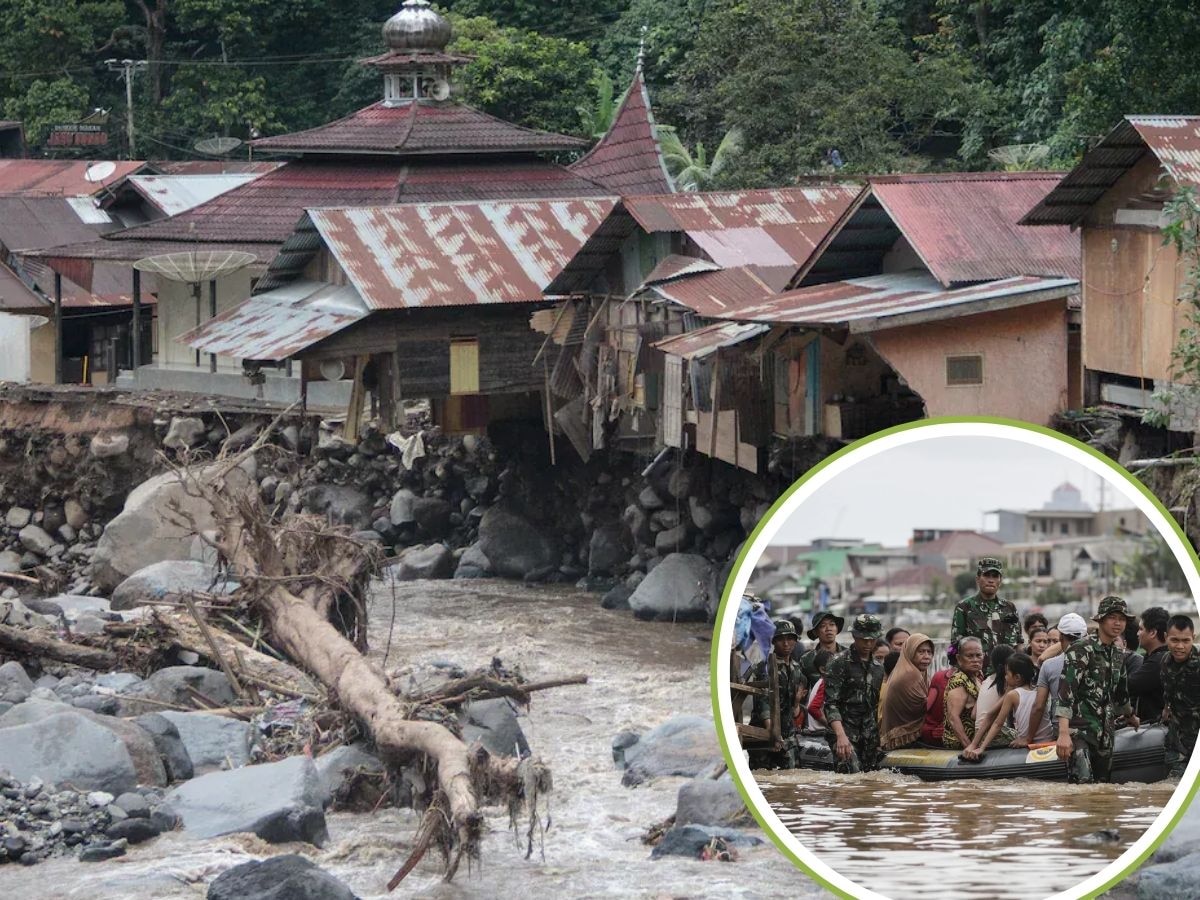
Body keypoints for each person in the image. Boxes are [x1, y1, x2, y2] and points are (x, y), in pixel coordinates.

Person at [1054, 597, 1140, 783]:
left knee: (1102, 790)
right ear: (1100, 619)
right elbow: (1065, 693)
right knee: (1082, 786)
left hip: (1104, 734)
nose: (1118, 623)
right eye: (1112, 617)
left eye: (1122, 619)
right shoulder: (1081, 649)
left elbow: (1121, 693)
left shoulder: (1118, 654)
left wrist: (1130, 716)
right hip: (1079, 731)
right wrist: (1063, 733)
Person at [824, 614, 885, 773]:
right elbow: (830, 704)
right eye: (864, 639)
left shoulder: (878, 667)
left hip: (869, 736)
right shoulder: (838, 662)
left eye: (872, 639)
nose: (868, 643)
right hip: (845, 732)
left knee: (869, 786)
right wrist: (840, 736)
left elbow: (876, 705)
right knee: (850, 778)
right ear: (854, 636)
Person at [964, 652, 1050, 760]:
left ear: (1017, 677)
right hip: (1048, 740)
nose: (1005, 677)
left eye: (1007, 674)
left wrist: (981, 748)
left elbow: (997, 724)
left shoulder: (1012, 695)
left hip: (1032, 744)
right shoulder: (1040, 690)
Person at [748, 619, 808, 769]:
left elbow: (795, 709)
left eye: (790, 639)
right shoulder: (765, 667)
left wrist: (797, 702)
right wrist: (772, 733)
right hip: (764, 732)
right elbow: (763, 702)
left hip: (788, 733)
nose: (786, 644)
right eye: (781, 640)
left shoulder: (797, 669)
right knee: (763, 777)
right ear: (774, 642)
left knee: (792, 778)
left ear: (795, 641)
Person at [951, 558, 1021, 676]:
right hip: (977, 675)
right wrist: (955, 672)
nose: (991, 580)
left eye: (995, 576)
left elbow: (1019, 643)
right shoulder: (964, 607)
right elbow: (955, 645)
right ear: (978, 579)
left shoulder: (1010, 608)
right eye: (986, 575)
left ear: (1000, 580)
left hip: (1007, 676)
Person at [1024, 613, 1087, 746]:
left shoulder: (1049, 665)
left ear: (1060, 638)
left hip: (1062, 732)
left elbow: (1039, 706)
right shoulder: (1100, 660)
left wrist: (1028, 738)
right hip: (1094, 727)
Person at [880, 633, 934, 750]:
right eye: (921, 652)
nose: (926, 656)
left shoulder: (920, 673)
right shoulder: (910, 674)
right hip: (903, 738)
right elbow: (927, 707)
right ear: (910, 652)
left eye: (929, 652)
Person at [1162, 614, 1200, 777]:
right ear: (1165, 638)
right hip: (1178, 740)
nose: (1180, 646)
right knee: (1173, 785)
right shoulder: (1165, 661)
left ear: (1194, 638)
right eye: (1174, 640)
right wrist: (1166, 708)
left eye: (1186, 641)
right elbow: (1168, 691)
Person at [943, 637, 989, 749]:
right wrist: (969, 747)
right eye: (970, 656)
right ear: (959, 658)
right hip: (960, 743)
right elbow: (953, 718)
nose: (975, 660)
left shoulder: (978, 675)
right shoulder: (959, 681)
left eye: (978, 655)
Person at [1130, 606, 1170, 723]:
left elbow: (1126, 687)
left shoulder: (1158, 662)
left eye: (1141, 629)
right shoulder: (1156, 657)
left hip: (1158, 731)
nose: (1137, 634)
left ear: (1152, 633)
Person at [921, 644, 957, 745]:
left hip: (931, 732)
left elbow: (926, 708)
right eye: (971, 656)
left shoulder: (939, 676)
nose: (976, 660)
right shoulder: (940, 678)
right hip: (941, 735)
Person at [800, 612, 845, 685]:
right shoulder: (806, 660)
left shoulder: (849, 655)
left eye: (832, 624)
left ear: (836, 629)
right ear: (816, 632)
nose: (828, 629)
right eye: (823, 626)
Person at [976, 645, 1016, 728]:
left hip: (978, 730)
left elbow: (974, 714)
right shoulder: (1007, 683)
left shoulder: (986, 681)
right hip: (994, 731)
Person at [804, 649, 834, 730]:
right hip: (820, 732)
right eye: (833, 664)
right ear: (823, 669)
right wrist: (829, 725)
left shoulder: (822, 682)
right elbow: (813, 708)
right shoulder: (825, 683)